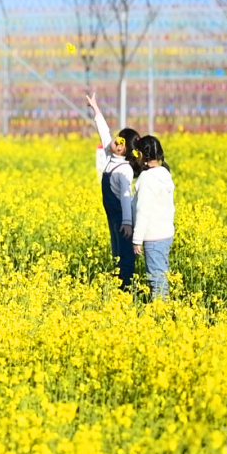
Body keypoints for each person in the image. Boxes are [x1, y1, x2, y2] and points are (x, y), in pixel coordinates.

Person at [86, 93, 141, 290]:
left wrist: (127, 223)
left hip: (122, 220)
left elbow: (126, 199)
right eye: (118, 139)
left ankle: (126, 290)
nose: (116, 143)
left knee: (125, 256)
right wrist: (96, 109)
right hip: (113, 217)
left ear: (124, 152)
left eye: (121, 144)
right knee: (116, 253)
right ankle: (120, 288)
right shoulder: (111, 156)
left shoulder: (124, 169)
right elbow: (104, 133)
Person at [132, 135, 175, 301]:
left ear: (142, 155)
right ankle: (164, 309)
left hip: (153, 236)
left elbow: (144, 211)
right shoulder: (164, 173)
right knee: (161, 273)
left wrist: (137, 240)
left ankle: (161, 313)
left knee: (156, 278)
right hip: (165, 234)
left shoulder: (147, 178)